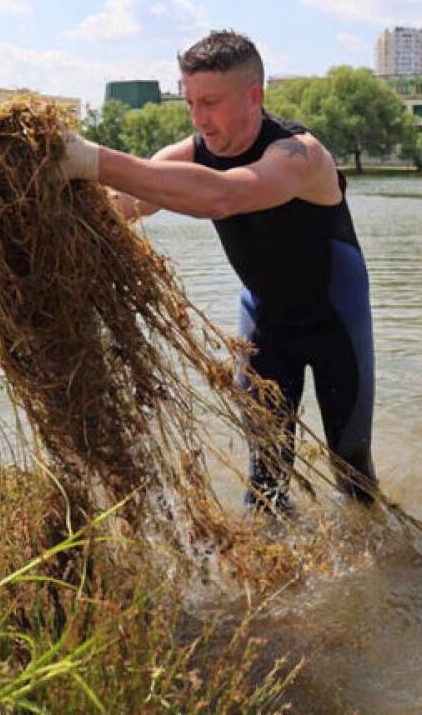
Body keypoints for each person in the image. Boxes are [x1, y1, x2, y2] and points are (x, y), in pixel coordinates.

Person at [57, 29, 377, 510]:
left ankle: (386, 567)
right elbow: (125, 202)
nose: (199, 119)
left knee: (351, 474)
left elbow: (224, 196)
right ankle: (282, 574)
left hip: (336, 324)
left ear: (254, 96)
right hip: (265, 327)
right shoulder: (189, 153)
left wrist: (90, 159)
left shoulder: (299, 154)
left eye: (211, 102)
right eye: (191, 103)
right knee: (265, 481)